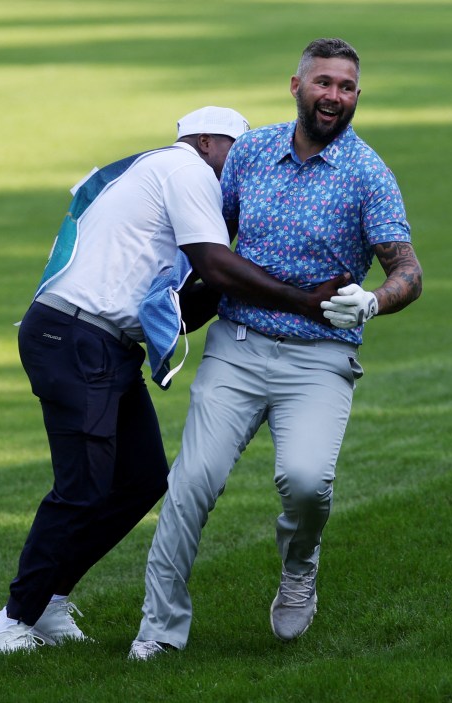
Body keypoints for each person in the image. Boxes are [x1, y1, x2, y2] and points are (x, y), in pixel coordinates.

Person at [0, 106, 347, 653]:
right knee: (82, 488)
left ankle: (51, 601)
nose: (238, 168)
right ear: (204, 141)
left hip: (99, 343)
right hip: (75, 337)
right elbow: (218, 269)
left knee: (141, 479)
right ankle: (10, 620)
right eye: (233, 152)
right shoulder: (188, 172)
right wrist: (301, 301)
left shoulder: (163, 176)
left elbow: (194, 304)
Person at [129, 38, 423, 661]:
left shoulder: (369, 174)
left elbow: (408, 272)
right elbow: (215, 244)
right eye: (323, 83)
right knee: (192, 484)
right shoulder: (253, 152)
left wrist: (373, 301)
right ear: (296, 86)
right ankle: (158, 629)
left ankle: (300, 564)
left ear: (357, 97)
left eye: (346, 88)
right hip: (237, 346)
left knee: (306, 482)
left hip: (320, 357)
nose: (333, 96)